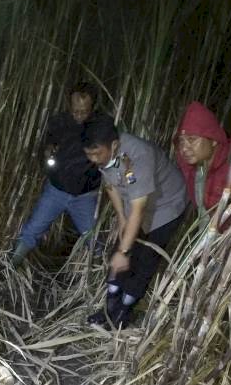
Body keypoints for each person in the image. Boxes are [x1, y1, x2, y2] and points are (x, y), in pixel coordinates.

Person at [82, 118, 187, 329]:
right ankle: (109, 308)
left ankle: (124, 310)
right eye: (89, 154)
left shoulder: (139, 156)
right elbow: (111, 185)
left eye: (97, 154)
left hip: (166, 205)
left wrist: (124, 251)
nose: (93, 160)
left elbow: (138, 211)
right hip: (137, 201)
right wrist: (121, 217)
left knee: (144, 258)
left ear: (114, 145)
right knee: (119, 254)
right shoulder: (106, 155)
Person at [11, 82, 111, 267]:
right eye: (75, 111)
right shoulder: (59, 122)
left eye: (84, 111)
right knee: (31, 231)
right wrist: (48, 151)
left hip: (84, 197)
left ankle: (99, 278)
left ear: (93, 107)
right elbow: (46, 145)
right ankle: (8, 268)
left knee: (94, 240)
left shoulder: (102, 125)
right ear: (69, 105)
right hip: (56, 191)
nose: (79, 115)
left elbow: (112, 155)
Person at [175, 101, 231, 230]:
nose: (184, 148)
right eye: (181, 141)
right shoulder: (192, 164)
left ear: (214, 140)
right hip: (210, 230)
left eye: (192, 139)